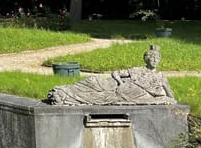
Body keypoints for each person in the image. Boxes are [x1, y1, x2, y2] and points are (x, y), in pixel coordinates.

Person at [47, 45, 175, 106]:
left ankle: (64, 94)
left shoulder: (160, 76)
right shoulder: (137, 70)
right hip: (114, 85)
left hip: (121, 95)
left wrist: (169, 99)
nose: (154, 60)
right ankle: (63, 90)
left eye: (156, 58)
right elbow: (116, 73)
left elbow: (170, 95)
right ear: (146, 60)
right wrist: (120, 82)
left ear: (159, 60)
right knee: (92, 80)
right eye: (151, 58)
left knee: (96, 97)